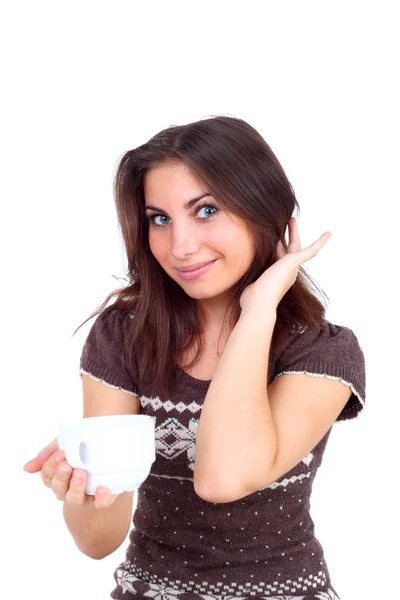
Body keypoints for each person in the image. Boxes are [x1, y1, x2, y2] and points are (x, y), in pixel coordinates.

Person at [23, 115, 366, 600]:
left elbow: (222, 478)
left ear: (266, 212)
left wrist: (257, 312)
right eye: (159, 219)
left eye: (205, 211)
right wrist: (82, 491)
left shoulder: (323, 352)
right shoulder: (124, 337)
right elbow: (98, 543)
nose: (179, 246)